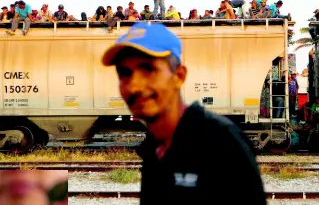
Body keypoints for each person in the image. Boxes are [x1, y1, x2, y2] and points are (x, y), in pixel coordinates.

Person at [101, 22, 267, 205]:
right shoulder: (153, 149)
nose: (133, 86)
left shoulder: (222, 141)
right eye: (124, 73)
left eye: (148, 69)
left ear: (179, 76)